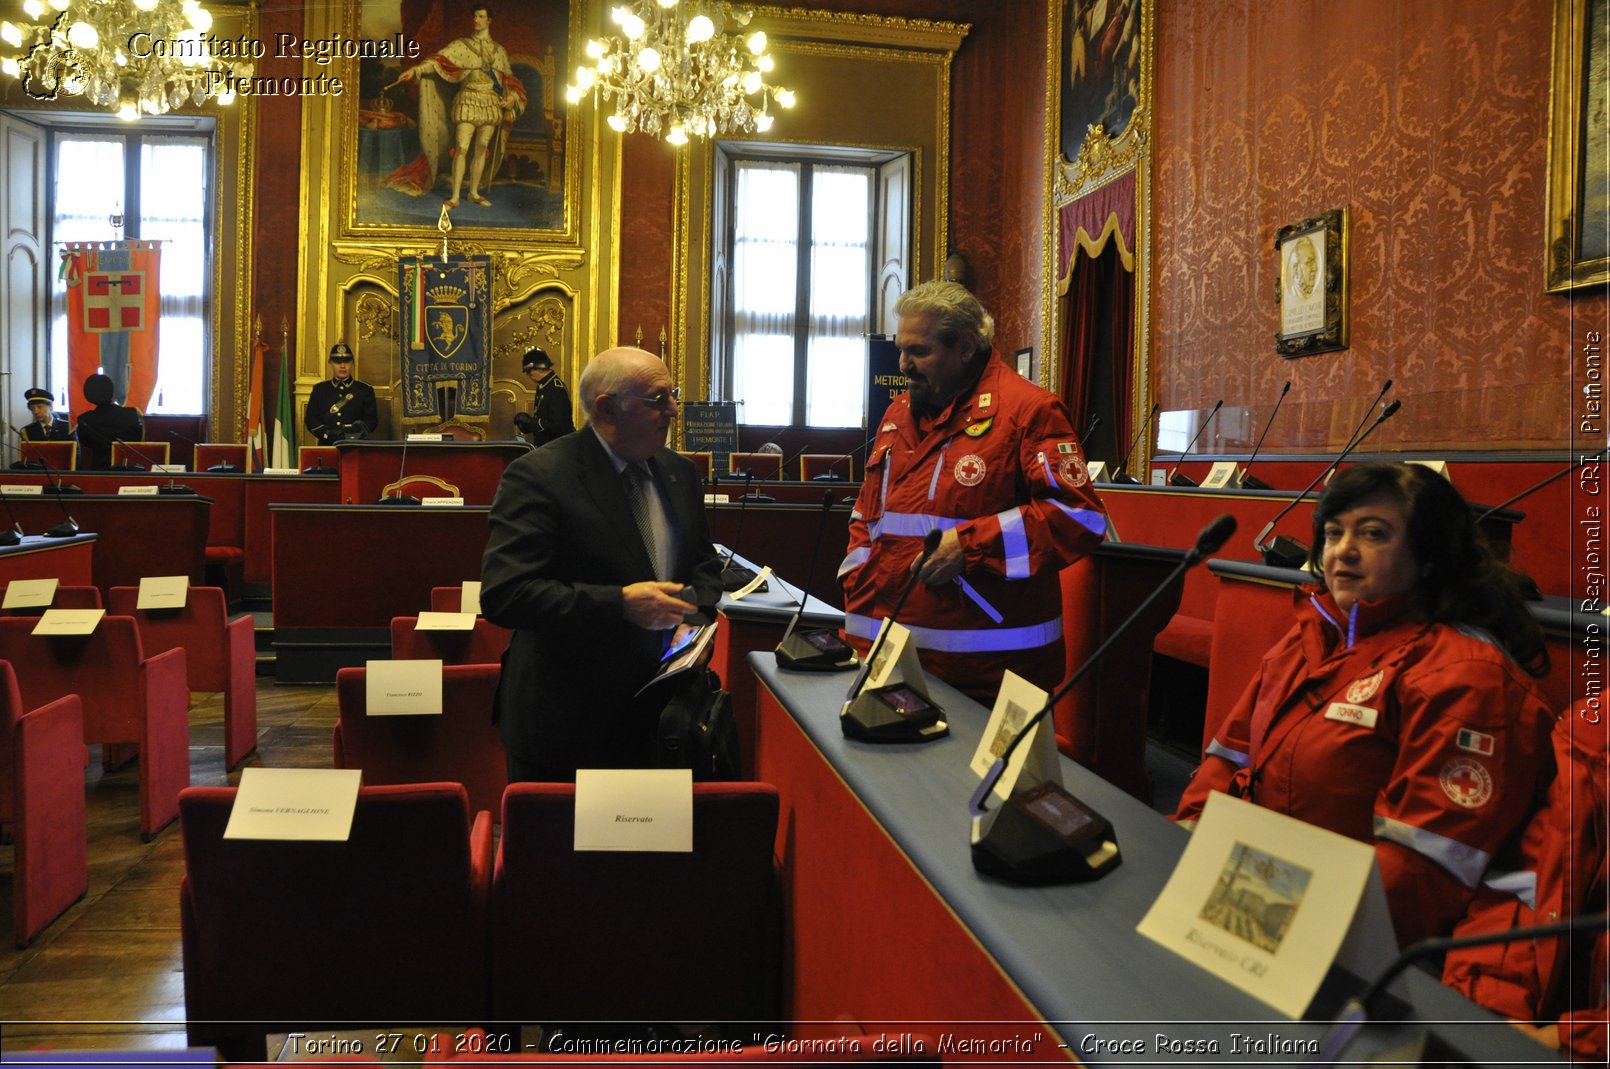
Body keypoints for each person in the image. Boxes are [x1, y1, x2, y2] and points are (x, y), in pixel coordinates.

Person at [1174, 462, 1553, 948]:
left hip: (1355, 944)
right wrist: (1181, 858)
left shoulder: (1469, 678)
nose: (1343, 550)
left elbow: (1418, 880)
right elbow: (1225, 767)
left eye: (1373, 534)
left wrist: (1254, 911)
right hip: (1253, 901)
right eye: (1333, 533)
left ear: (1430, 555)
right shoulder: (1309, 637)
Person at [838, 280, 1108, 702]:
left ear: (965, 347)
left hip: (990, 671)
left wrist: (970, 548)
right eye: (900, 350)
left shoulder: (1029, 411)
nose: (903, 365)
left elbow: (1079, 517)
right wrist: (857, 588)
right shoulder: (897, 413)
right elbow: (868, 516)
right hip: (889, 658)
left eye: (919, 352)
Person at [480, 346, 722, 781]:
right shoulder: (540, 475)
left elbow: (703, 565)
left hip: (663, 721)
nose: (673, 410)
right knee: (560, 851)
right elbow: (506, 594)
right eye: (658, 399)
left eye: (674, 395)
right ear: (608, 408)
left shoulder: (680, 473)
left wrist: (694, 620)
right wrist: (619, 604)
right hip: (565, 724)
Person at [394, 3, 527, 209]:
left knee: (482, 148)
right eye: (475, 17)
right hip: (468, 98)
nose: (477, 20)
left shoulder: (499, 51)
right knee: (462, 147)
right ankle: (455, 196)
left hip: (490, 102)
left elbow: (508, 80)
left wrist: (512, 98)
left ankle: (474, 193)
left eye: (481, 17)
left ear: (489, 20)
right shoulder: (461, 46)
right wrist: (416, 70)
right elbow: (438, 61)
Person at [304, 343, 379, 446]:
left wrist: (353, 435)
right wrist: (327, 433)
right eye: (337, 362)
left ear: (352, 363)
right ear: (330, 363)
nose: (343, 366)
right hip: (327, 444)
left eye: (347, 362)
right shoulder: (320, 389)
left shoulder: (364, 390)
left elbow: (371, 420)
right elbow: (311, 419)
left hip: (356, 446)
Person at [73, 372, 144, 470]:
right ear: (112, 392)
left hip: (99, 472)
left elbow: (87, 444)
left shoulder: (84, 420)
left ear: (88, 395)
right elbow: (139, 440)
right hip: (129, 469)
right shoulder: (132, 414)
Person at [511, 347, 573, 447]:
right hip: (547, 446)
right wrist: (529, 426)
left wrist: (532, 424)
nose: (528, 375)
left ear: (539, 368)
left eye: (529, 372)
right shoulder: (543, 386)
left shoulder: (556, 388)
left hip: (558, 447)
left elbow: (559, 426)